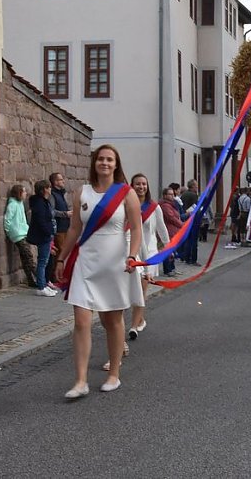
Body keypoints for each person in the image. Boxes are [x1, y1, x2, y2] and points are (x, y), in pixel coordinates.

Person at [54, 144, 143, 398]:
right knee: (82, 321)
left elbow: (136, 229)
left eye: (109, 160)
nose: (104, 163)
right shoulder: (81, 192)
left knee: (112, 320)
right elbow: (73, 229)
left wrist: (132, 255)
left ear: (116, 165)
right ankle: (80, 381)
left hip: (114, 264)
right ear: (94, 163)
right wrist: (62, 258)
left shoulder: (126, 194)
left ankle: (114, 374)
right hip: (86, 262)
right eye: (100, 159)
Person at [128, 173, 170, 340]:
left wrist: (168, 247)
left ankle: (134, 326)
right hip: (131, 251)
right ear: (132, 186)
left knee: (141, 289)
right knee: (131, 290)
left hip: (149, 253)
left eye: (144, 184)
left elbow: (162, 229)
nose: (141, 187)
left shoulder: (154, 207)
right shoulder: (126, 206)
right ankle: (140, 317)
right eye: (137, 184)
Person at [26, 180, 58, 297]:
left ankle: (44, 283)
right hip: (43, 235)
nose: (50, 189)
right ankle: (41, 286)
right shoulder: (39, 203)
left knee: (45, 260)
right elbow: (41, 220)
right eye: (49, 187)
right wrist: (48, 232)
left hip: (46, 234)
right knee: (42, 261)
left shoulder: (44, 201)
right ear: (44, 189)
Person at [3, 184, 37, 288]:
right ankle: (41, 279)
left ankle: (31, 280)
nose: (26, 194)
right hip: (17, 234)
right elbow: (7, 219)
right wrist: (10, 232)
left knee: (25, 258)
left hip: (23, 232)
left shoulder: (20, 203)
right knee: (29, 257)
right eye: (24, 192)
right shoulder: (12, 205)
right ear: (19, 193)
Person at [47, 172, 72, 282]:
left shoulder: (61, 193)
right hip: (58, 227)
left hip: (65, 226)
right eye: (61, 180)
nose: (63, 181)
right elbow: (51, 211)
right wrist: (65, 214)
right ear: (55, 182)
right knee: (60, 251)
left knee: (64, 250)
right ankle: (56, 276)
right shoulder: (52, 194)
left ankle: (62, 273)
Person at [159, 187, 183, 277]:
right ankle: (168, 269)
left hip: (173, 230)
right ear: (165, 195)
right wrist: (182, 225)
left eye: (173, 194)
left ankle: (172, 268)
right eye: (170, 194)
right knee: (168, 250)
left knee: (172, 250)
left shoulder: (172, 204)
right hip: (168, 230)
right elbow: (171, 218)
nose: (172, 196)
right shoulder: (165, 205)